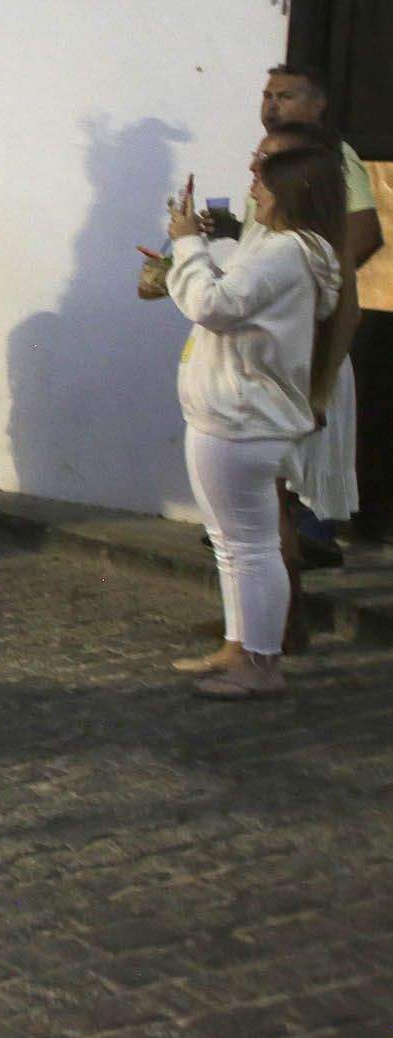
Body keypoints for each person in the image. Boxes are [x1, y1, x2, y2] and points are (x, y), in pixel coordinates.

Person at [164, 149, 344, 699]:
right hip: (233, 414)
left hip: (242, 419)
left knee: (252, 547)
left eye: (264, 183)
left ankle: (262, 664)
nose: (254, 191)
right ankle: (239, 647)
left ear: (291, 193)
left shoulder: (287, 251)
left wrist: (187, 245)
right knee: (232, 544)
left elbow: (212, 304)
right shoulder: (281, 247)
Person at [251, 66, 381, 572]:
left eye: (286, 95)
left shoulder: (331, 157)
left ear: (318, 104)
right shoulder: (275, 159)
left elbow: (363, 233)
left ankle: (306, 540)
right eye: (267, 95)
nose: (272, 104)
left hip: (302, 336)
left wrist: (314, 286)